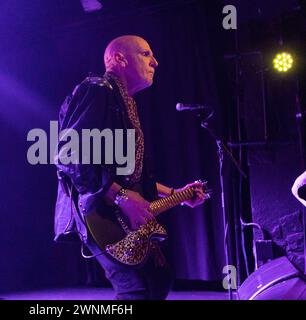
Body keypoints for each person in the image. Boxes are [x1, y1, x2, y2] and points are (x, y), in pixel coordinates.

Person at [54, 35, 206, 300]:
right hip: (99, 212)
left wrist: (176, 194)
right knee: (137, 289)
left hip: (115, 209)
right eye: (146, 54)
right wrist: (121, 197)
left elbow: (130, 178)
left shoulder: (125, 101)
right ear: (119, 59)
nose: (155, 62)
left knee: (158, 279)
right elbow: (69, 154)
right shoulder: (97, 89)